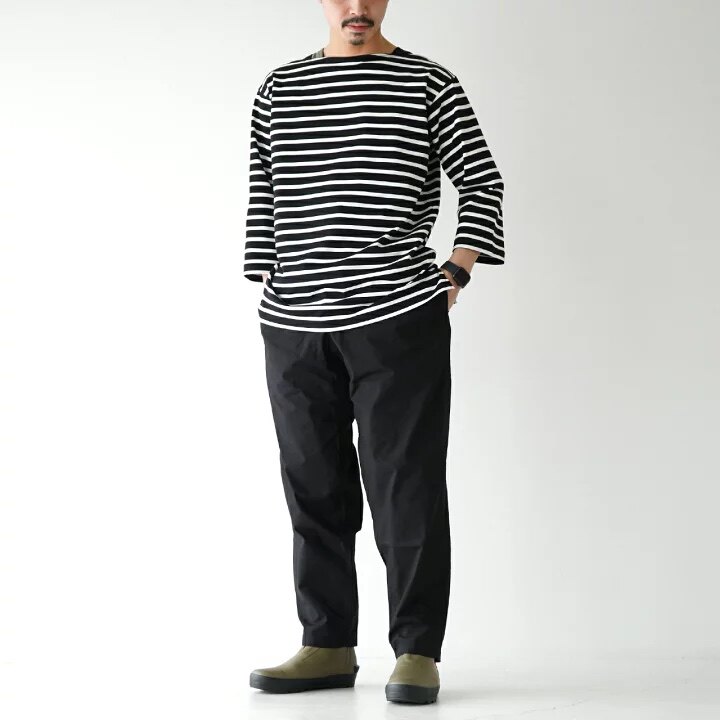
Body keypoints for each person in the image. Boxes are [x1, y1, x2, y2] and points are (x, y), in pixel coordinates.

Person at [244, 0, 504, 705]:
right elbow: (265, 192)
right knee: (312, 484)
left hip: (397, 316)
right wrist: (270, 281)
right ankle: (327, 643)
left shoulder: (429, 83)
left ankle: (416, 650)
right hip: (294, 321)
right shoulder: (280, 87)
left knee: (404, 485)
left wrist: (457, 270)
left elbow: (481, 180)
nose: (356, 8)